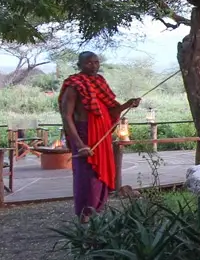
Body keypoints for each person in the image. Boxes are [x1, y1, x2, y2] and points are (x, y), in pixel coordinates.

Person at [58, 52, 140, 219]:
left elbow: (111, 111)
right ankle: (84, 214)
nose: (94, 66)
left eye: (96, 62)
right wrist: (79, 144)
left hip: (102, 135)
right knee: (86, 175)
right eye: (89, 63)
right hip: (84, 135)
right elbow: (66, 116)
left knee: (100, 174)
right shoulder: (74, 85)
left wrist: (127, 104)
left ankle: (97, 211)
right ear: (79, 65)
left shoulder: (100, 82)